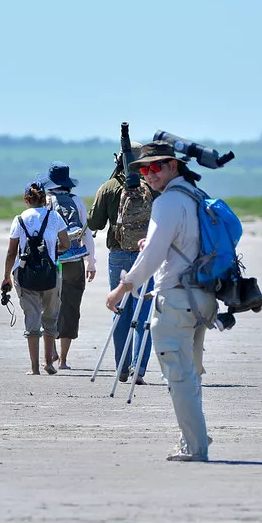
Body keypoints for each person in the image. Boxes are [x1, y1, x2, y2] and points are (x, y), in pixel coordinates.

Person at [106, 141, 218, 462]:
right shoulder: (195, 195)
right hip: (203, 296)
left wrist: (121, 288)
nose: (149, 174)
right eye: (144, 169)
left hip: (177, 298)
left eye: (156, 167)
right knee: (190, 372)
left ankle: (195, 446)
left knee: (178, 374)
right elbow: (183, 242)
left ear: (173, 166)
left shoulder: (168, 202)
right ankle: (193, 435)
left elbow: (153, 257)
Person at [88, 143, 157, 384]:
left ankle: (122, 367)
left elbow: (95, 223)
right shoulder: (152, 186)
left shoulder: (109, 187)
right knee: (143, 311)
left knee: (119, 310)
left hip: (117, 254)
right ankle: (139, 368)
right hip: (145, 254)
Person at [3, 181, 70, 375]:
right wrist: (51, 252)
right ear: (44, 199)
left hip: (24, 273)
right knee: (50, 317)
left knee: (32, 317)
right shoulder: (54, 217)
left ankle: (34, 368)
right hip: (50, 273)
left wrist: (6, 277)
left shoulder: (19, 219)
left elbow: (11, 251)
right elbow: (65, 244)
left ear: (26, 200)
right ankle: (48, 362)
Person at [40, 162, 97, 370]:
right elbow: (86, 232)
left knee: (49, 305)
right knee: (71, 308)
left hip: (53, 261)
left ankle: (51, 350)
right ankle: (63, 360)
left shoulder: (46, 201)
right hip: (75, 260)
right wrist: (91, 262)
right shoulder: (77, 201)